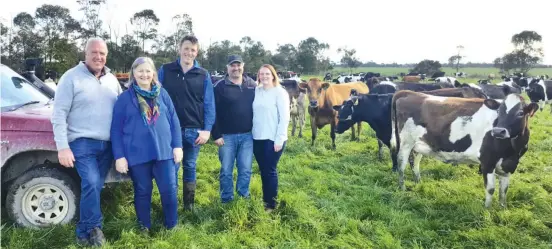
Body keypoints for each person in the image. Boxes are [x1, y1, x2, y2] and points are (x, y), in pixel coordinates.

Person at [51, 37, 122, 246]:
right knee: (91, 182)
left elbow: (122, 108)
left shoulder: (112, 80)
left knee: (95, 186)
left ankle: (84, 230)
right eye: (94, 52)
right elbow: (58, 114)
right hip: (82, 143)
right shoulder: (70, 78)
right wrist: (62, 147)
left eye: (102, 53)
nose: (98, 57)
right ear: (86, 54)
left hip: (107, 144)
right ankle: (92, 229)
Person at [110, 57, 183, 233]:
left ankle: (171, 225)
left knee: (169, 190)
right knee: (143, 191)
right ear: (133, 73)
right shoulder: (124, 98)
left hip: (164, 151)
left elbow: (174, 120)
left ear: (153, 73)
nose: (144, 74)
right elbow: (116, 130)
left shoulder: (162, 94)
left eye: (148, 71)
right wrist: (119, 156)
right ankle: (144, 226)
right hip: (137, 154)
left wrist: (178, 146)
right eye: (140, 70)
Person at [157, 35, 215, 211]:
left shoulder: (203, 75)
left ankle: (189, 205)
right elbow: (155, 97)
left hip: (193, 131)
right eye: (187, 48)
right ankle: (171, 205)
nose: (189, 53)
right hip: (169, 131)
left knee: (190, 165)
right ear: (180, 48)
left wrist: (207, 130)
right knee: (171, 168)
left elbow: (209, 104)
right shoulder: (165, 70)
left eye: (193, 50)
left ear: (196, 53)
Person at [212, 55, 257, 203]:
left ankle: (243, 196)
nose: (236, 68)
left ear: (243, 66)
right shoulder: (219, 87)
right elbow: (212, 112)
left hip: (247, 136)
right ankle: (226, 199)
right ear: (228, 67)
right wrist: (216, 134)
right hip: (226, 137)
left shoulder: (252, 85)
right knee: (226, 171)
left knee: (245, 170)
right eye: (233, 65)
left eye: (238, 65)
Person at [252, 64, 291, 212]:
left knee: (270, 170)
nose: (264, 76)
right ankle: (266, 199)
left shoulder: (280, 92)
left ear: (273, 75)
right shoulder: (257, 91)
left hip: (273, 139)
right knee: (263, 170)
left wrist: (279, 139)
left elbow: (285, 118)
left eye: (267, 74)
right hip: (257, 137)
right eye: (261, 74)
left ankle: (271, 204)